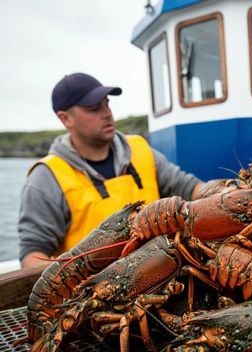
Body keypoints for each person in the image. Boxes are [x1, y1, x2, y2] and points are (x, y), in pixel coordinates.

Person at [18, 72, 204, 268]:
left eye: (107, 104)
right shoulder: (46, 178)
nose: (107, 113)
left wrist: (222, 192)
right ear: (66, 119)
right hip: (95, 293)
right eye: (94, 108)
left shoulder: (140, 150)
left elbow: (189, 187)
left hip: (164, 274)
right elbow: (33, 254)